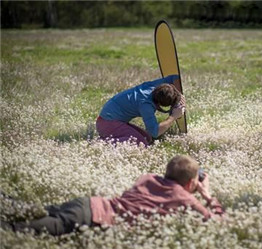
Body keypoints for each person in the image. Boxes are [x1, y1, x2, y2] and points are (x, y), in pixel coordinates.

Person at [4, 155, 224, 236]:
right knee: (23, 230)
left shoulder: (147, 178)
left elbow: (165, 181)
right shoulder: (184, 198)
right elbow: (215, 221)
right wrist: (207, 194)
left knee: (31, 210)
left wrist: (186, 178)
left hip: (89, 203)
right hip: (92, 218)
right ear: (190, 183)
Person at [96, 74, 186, 146]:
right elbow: (155, 132)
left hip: (108, 119)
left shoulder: (154, 86)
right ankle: (100, 144)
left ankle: (108, 139)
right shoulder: (145, 105)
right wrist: (173, 116)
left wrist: (180, 95)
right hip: (107, 123)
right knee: (140, 143)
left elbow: (174, 77)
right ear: (159, 105)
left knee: (147, 138)